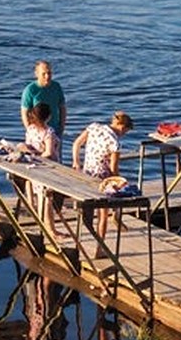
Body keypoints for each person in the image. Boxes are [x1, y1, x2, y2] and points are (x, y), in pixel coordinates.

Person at [71, 110, 134, 240]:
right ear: (122, 128)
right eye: (125, 132)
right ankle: (101, 246)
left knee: (88, 207)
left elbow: (76, 143)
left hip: (87, 173)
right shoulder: (114, 143)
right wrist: (121, 181)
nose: (123, 135)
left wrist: (76, 162)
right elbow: (113, 170)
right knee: (103, 213)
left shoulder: (94, 127)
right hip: (103, 178)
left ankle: (89, 227)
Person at [24, 102, 61, 226]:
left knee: (41, 195)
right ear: (48, 116)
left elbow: (27, 146)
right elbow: (49, 152)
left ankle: (37, 217)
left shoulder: (30, 128)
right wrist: (38, 157)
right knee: (46, 199)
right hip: (48, 167)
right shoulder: (48, 132)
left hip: (32, 165)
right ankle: (48, 227)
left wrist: (31, 156)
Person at [21, 60, 67, 157]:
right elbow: (24, 112)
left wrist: (61, 128)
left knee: (55, 156)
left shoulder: (56, 87)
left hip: (54, 129)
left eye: (49, 73)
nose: (47, 76)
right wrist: (30, 130)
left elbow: (62, 108)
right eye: (44, 74)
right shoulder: (30, 90)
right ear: (36, 74)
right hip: (38, 133)